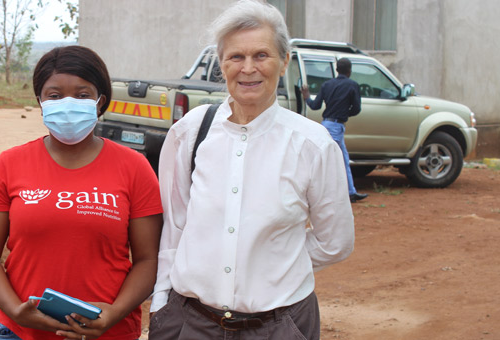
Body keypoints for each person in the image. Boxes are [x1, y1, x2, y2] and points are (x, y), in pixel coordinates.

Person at [148, 1, 355, 339]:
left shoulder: (312, 145)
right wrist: (160, 309)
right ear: (221, 64)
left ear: (284, 61)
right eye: (235, 57)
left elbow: (336, 242)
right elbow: (174, 230)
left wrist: (273, 262)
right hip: (192, 323)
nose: (248, 69)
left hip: (280, 326)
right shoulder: (190, 133)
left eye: (261, 55)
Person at [0, 45, 163, 340]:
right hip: (21, 333)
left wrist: (114, 312)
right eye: (55, 95)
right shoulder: (10, 164)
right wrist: (14, 309)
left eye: (82, 95)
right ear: (40, 101)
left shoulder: (134, 167)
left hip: (110, 332)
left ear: (100, 102)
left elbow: (148, 259)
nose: (68, 103)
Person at [302, 58, 368, 203]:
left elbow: (315, 106)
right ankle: (322, 195)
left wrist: (307, 97)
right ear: (349, 71)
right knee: (329, 160)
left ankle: (350, 191)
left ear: (336, 70)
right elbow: (356, 109)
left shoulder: (327, 85)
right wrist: (344, 113)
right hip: (337, 126)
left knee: (342, 159)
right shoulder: (352, 85)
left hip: (326, 124)